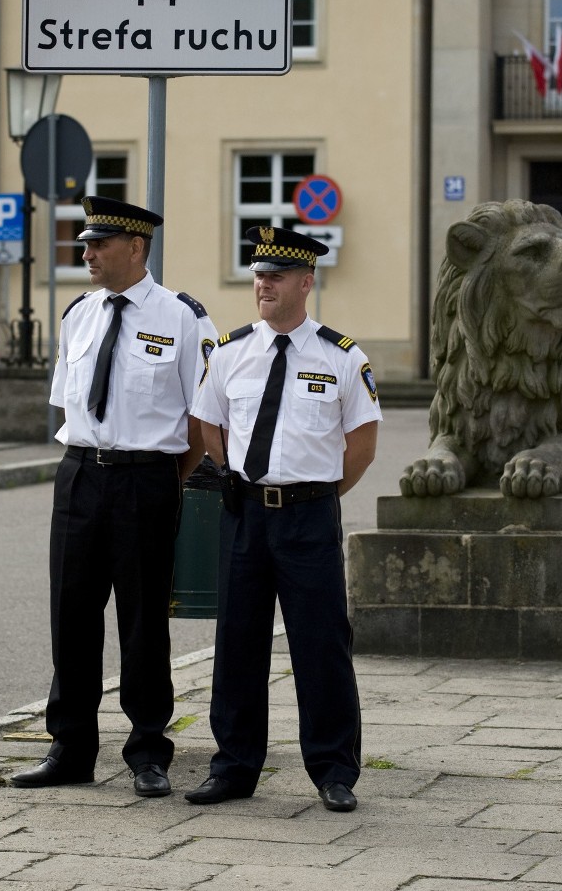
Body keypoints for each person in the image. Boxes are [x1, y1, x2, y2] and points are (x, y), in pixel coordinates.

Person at [11, 196, 216, 798]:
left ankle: (148, 751)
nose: (87, 253)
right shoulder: (79, 314)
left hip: (145, 477)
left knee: (143, 619)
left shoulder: (182, 317)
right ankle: (70, 748)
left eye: (98, 244)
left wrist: (164, 478)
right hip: (79, 474)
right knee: (71, 616)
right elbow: (67, 404)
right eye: (85, 244)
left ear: (136, 247)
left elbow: (201, 418)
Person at [185, 225, 381, 813]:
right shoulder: (227, 351)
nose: (262, 284)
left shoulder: (342, 357)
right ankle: (235, 767)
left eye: (274, 276)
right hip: (245, 514)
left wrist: (314, 494)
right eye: (257, 274)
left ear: (305, 281)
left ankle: (333, 770)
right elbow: (209, 424)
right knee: (237, 641)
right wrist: (242, 480)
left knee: (320, 644)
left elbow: (362, 444)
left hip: (309, 519)